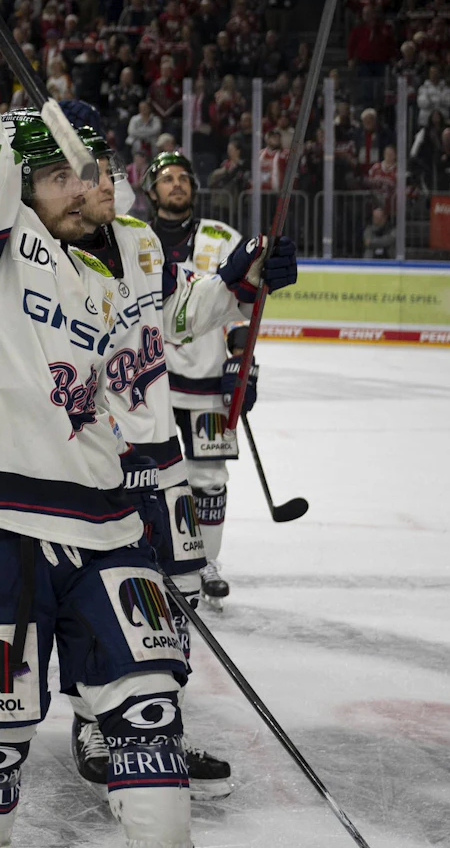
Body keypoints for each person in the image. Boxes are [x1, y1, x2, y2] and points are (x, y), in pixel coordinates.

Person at [0, 57, 192, 848]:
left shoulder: (124, 259)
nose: (87, 185)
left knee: (151, 725)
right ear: (18, 183)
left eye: (95, 171)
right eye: (61, 174)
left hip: (109, 530)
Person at [66, 101, 289, 803]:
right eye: (83, 169)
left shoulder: (138, 243)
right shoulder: (35, 255)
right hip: (90, 459)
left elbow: (184, 311)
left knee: (178, 594)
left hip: (160, 457)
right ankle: (92, 720)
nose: (100, 181)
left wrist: (240, 278)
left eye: (105, 167)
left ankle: (156, 721)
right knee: (97, 596)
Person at [141, 150, 275, 603]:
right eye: (167, 178)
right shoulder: (132, 238)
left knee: (209, 476)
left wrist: (242, 362)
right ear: (151, 190)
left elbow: (244, 301)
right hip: (148, 382)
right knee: (148, 475)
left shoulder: (221, 239)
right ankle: (151, 553)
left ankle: (205, 561)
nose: (177, 184)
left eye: (184, 177)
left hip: (205, 381)